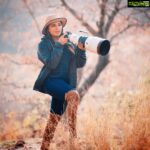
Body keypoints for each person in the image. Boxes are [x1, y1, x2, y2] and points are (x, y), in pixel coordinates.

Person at [33, 14, 86, 150]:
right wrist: (58, 45)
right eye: (53, 25)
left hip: (65, 83)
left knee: (55, 116)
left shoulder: (69, 41)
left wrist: (81, 49)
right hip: (50, 81)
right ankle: (73, 139)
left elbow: (79, 63)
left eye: (59, 24)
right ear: (47, 29)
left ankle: (44, 146)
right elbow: (51, 63)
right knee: (74, 95)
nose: (57, 27)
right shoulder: (43, 44)